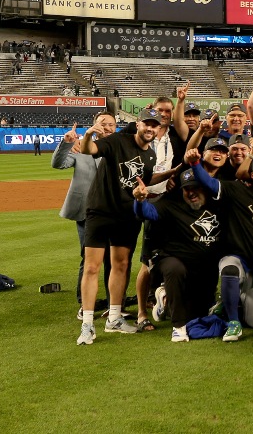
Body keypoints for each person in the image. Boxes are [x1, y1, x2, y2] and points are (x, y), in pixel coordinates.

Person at [75, 108, 168, 345]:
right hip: (101, 211)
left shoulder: (151, 156)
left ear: (158, 129)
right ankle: (87, 325)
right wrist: (87, 136)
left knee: (121, 265)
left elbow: (142, 181)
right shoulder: (117, 141)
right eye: (146, 123)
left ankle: (114, 318)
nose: (150, 128)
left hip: (127, 215)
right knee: (92, 267)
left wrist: (171, 173)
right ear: (137, 124)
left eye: (154, 125)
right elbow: (90, 150)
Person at [189, 155, 253, 341]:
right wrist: (194, 163)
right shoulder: (237, 189)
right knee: (229, 269)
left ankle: (230, 301)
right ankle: (233, 322)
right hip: (238, 258)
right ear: (252, 174)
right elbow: (208, 183)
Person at [132, 159, 222, 342]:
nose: (191, 192)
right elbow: (147, 212)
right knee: (175, 269)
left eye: (195, 188)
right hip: (173, 260)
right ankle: (178, 327)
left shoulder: (217, 206)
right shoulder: (169, 205)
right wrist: (140, 201)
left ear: (204, 187)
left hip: (204, 266)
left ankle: (164, 299)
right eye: (187, 189)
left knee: (199, 312)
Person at [52, 113, 116, 321]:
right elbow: (58, 164)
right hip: (87, 211)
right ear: (94, 125)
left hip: (114, 210)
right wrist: (66, 143)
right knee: (88, 257)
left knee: (113, 259)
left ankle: (113, 303)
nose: (107, 127)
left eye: (111, 124)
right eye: (103, 123)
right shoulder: (80, 146)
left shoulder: (120, 146)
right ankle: (84, 302)